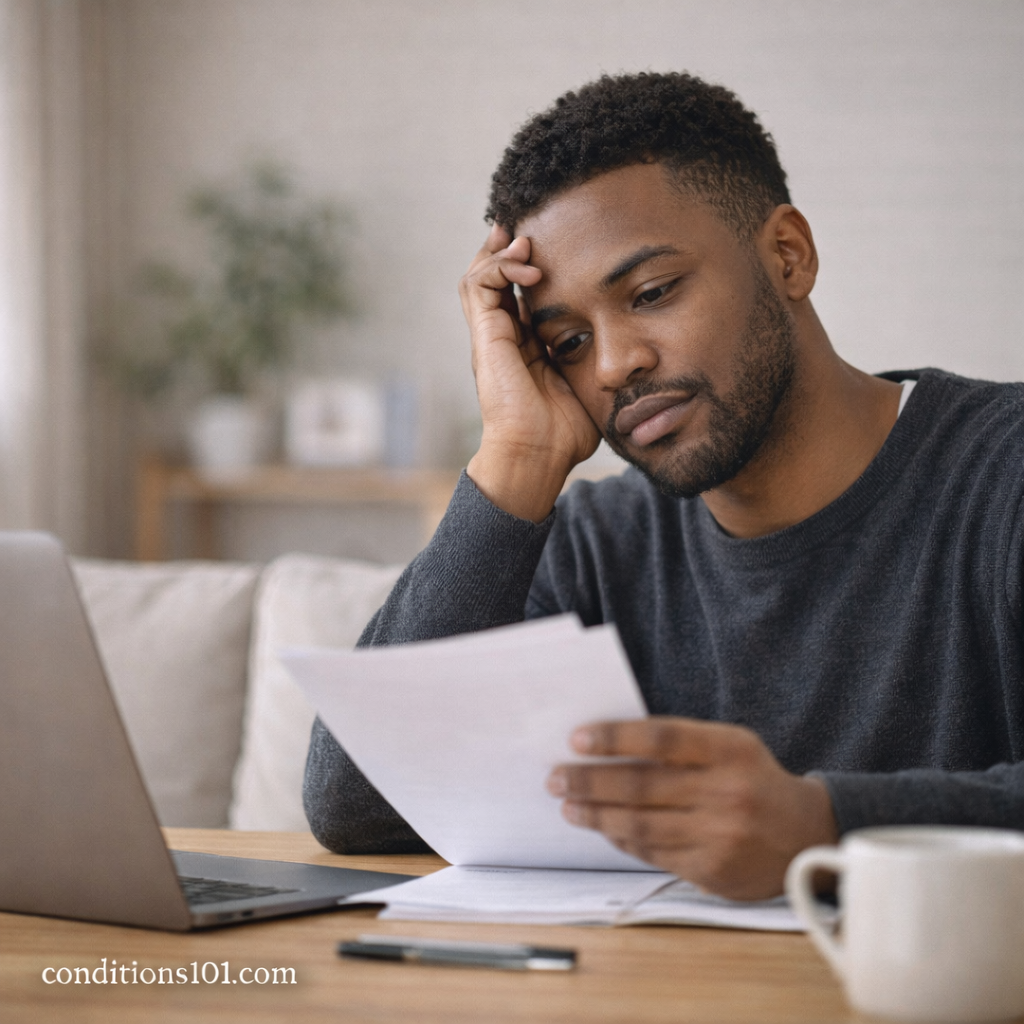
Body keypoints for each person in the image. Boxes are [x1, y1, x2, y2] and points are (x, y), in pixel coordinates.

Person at [304, 72, 1024, 899]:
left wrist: (825, 825)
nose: (613, 366)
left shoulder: (1003, 474)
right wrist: (515, 458)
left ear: (787, 256)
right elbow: (356, 807)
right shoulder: (596, 543)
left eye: (651, 293)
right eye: (567, 342)